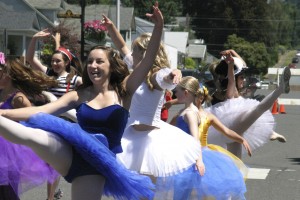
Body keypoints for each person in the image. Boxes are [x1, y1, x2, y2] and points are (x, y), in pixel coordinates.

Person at [0, 3, 164, 200]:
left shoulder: (124, 91)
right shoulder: (79, 94)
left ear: (111, 66)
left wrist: (158, 27)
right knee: (30, 136)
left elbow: (147, 62)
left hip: (95, 165)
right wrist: (4, 113)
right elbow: (42, 110)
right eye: (90, 61)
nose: (93, 66)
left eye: (99, 61)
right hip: (71, 151)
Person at [102, 10, 201, 182]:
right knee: (133, 188)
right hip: (129, 137)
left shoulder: (154, 76)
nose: (131, 55)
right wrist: (111, 29)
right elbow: (122, 47)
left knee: (147, 190)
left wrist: (173, 74)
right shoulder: (136, 70)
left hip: (151, 142)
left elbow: (165, 77)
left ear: (146, 54)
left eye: (135, 51)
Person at [155, 76, 251, 199]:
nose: (174, 94)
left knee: (188, 193)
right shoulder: (184, 113)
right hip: (185, 156)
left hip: (193, 157)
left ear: (186, 93)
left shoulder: (190, 113)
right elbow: (169, 131)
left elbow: (195, 139)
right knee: (184, 193)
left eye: (176, 91)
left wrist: (199, 160)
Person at [206, 49, 290, 158]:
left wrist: (233, 54)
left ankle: (280, 90)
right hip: (226, 127)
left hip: (234, 129)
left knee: (236, 162)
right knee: (257, 110)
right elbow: (231, 79)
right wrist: (230, 65)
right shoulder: (228, 90)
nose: (244, 80)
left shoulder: (233, 90)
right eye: (241, 78)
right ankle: (281, 89)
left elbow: (241, 66)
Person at [27, 31, 81, 200]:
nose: (54, 63)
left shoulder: (75, 80)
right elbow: (30, 59)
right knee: (45, 160)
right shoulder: (49, 74)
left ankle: (50, 197)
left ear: (66, 63)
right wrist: (34, 39)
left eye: (58, 61)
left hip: (65, 125)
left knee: (54, 163)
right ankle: (54, 192)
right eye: (53, 61)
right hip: (47, 122)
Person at [0, 56, 59, 200]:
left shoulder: (18, 98)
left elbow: (34, 118)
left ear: (9, 76)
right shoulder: (1, 92)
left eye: (1, 73)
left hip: (9, 151)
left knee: (7, 192)